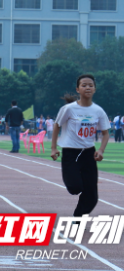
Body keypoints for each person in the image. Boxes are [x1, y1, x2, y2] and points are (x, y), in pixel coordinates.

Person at [51, 74, 110, 220]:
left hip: (89, 153)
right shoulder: (68, 109)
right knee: (75, 187)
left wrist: (101, 150)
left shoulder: (98, 111)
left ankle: (77, 219)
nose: (87, 87)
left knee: (92, 197)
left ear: (95, 89)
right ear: (78, 89)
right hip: (71, 153)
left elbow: (105, 133)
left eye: (90, 85)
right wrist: (53, 148)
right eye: (84, 85)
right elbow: (57, 126)